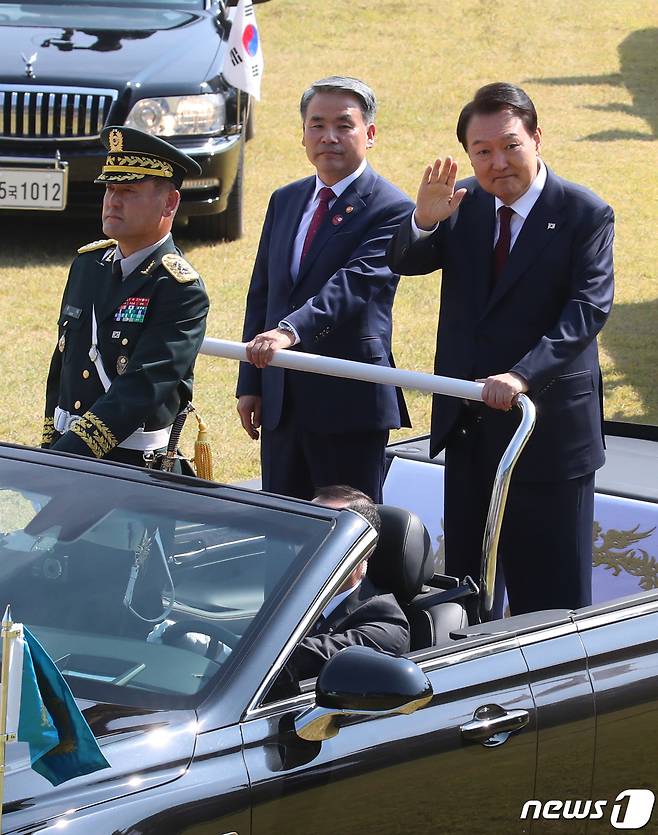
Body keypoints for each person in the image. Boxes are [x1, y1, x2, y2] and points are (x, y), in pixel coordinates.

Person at [387, 82, 614, 617]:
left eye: (511, 145)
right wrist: (423, 219)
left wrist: (522, 376)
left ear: (537, 138)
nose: (498, 162)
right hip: (469, 429)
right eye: (482, 151)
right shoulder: (461, 203)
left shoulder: (584, 213)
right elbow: (406, 260)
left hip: (546, 430)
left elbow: (588, 309)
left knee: (552, 600)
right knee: (466, 593)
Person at [236, 76, 413, 502]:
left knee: (345, 544)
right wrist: (250, 382)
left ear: (369, 134)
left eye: (343, 125)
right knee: (282, 533)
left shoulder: (392, 208)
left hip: (347, 402)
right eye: (317, 124)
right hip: (282, 401)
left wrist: (288, 332)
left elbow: (354, 284)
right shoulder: (286, 199)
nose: (328, 137)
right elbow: (263, 291)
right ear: (303, 134)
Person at [42, 125, 209, 468]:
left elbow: (141, 388)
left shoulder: (180, 289)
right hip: (69, 454)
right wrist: (49, 446)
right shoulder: (88, 265)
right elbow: (63, 363)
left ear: (170, 201)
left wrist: (65, 457)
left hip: (131, 466)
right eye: (110, 188)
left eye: (129, 190)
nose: (113, 201)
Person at [282, 485, 410, 683]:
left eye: (326, 535)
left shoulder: (385, 624)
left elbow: (297, 661)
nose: (306, 544)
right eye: (306, 530)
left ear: (363, 551)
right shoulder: (288, 596)